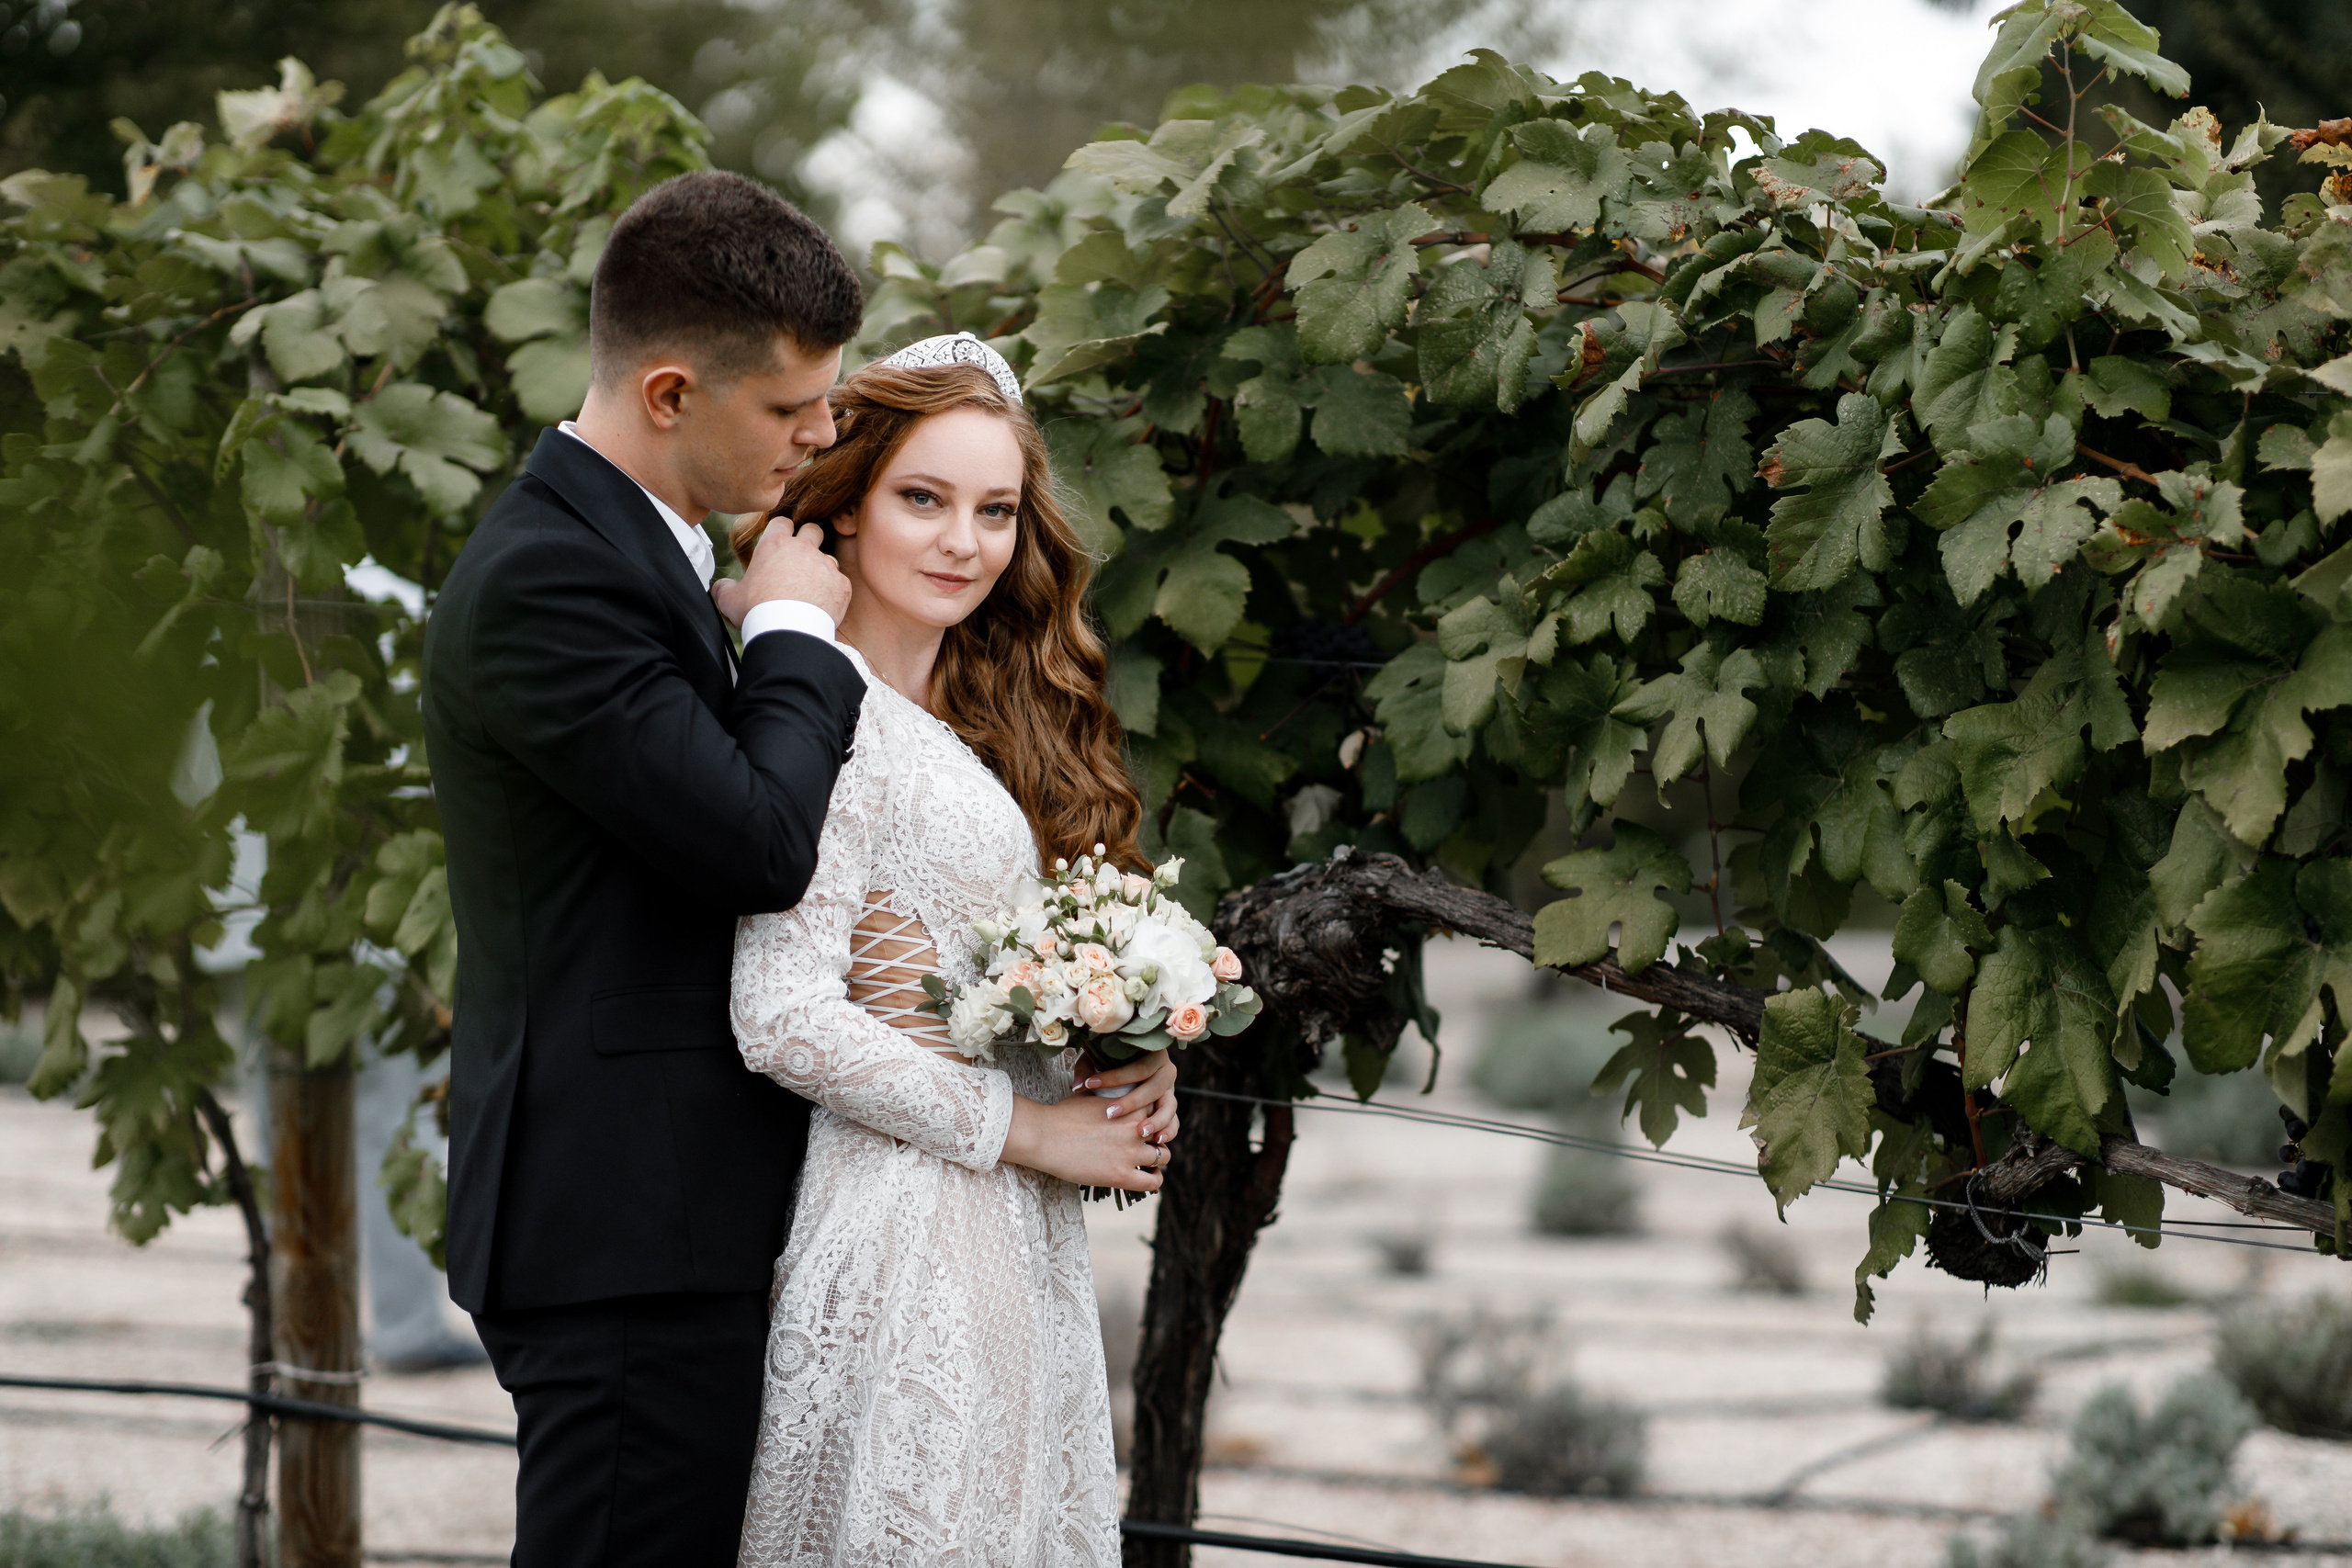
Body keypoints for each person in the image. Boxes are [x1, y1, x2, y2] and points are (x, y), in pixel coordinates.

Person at [421, 171, 873, 1566]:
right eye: (790, 411)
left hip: (671, 1216)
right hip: (621, 1227)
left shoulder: (645, 554)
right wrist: (798, 639)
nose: (820, 439)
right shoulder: (548, 579)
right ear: (669, 393)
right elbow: (753, 844)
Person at [728, 334, 1179, 1567]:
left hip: (1012, 1229)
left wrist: (1134, 1041)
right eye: (922, 499)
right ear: (849, 501)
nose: (961, 543)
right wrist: (1030, 1129)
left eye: (994, 510)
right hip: (910, 1219)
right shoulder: (828, 716)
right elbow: (781, 1012)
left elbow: (989, 967)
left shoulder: (978, 719)